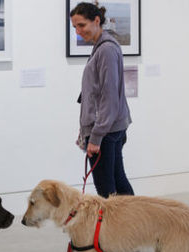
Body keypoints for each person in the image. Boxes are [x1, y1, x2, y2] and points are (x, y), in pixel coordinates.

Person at [70, 2, 134, 199]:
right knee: (118, 181)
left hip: (105, 132)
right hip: (112, 128)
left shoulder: (105, 50)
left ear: (96, 21)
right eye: (75, 27)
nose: (78, 31)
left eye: (82, 25)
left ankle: (125, 227)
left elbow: (108, 97)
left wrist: (95, 136)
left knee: (106, 190)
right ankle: (135, 226)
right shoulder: (103, 47)